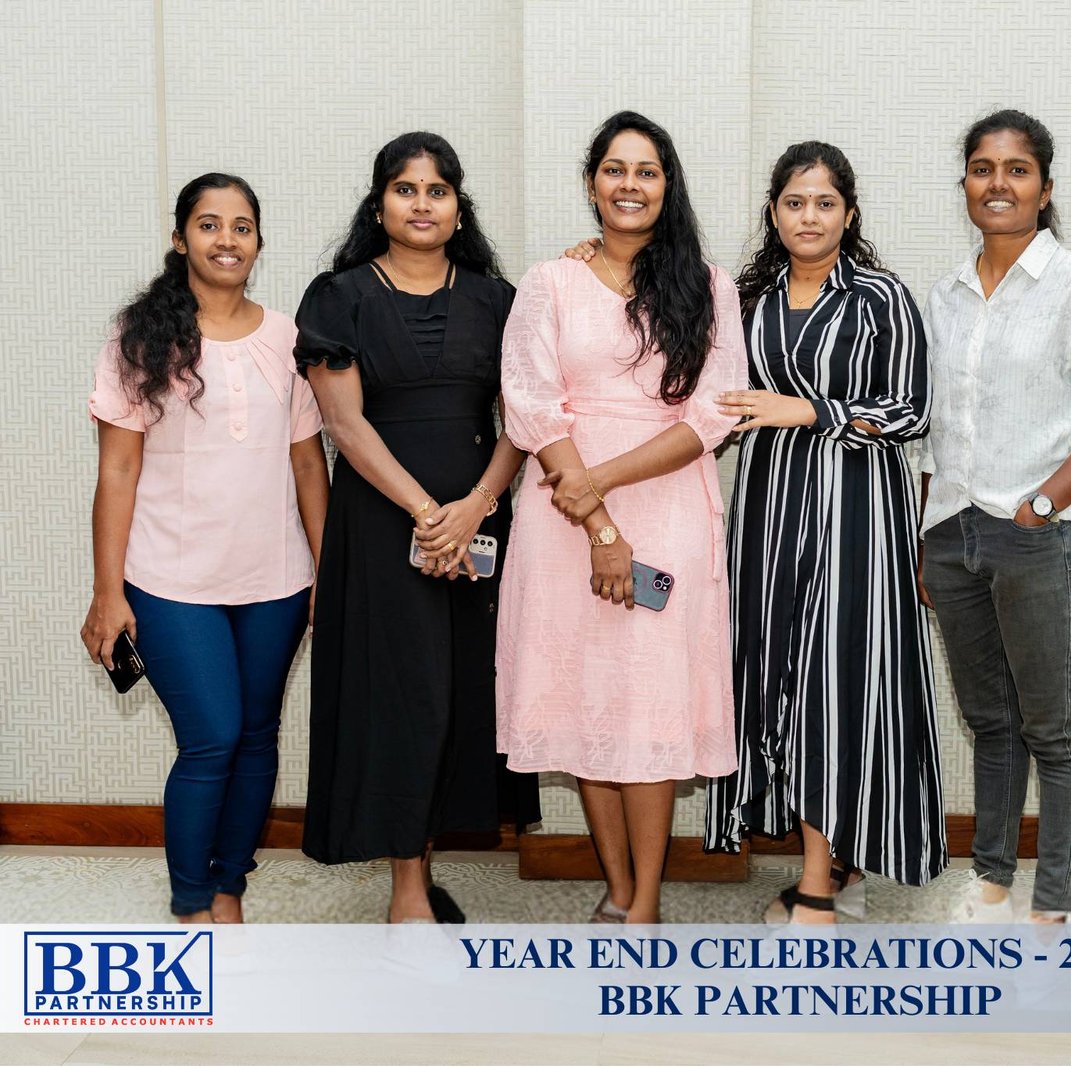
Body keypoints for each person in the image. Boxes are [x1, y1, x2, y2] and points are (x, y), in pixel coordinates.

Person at [496, 111, 745, 925]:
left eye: (646, 171)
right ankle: (618, 885)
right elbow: (530, 404)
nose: (629, 185)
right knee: (584, 696)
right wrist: (599, 523)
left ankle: (646, 903)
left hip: (664, 507)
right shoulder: (549, 282)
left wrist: (600, 483)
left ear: (667, 186)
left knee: (650, 702)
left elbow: (712, 414)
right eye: (614, 169)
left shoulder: (708, 286)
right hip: (563, 515)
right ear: (591, 182)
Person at [698, 141, 947, 923]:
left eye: (825, 203)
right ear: (774, 213)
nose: (809, 216)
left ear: (849, 213)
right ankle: (835, 863)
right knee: (774, 671)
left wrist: (810, 410)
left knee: (837, 680)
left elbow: (912, 408)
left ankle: (816, 886)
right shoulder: (747, 299)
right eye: (795, 202)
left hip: (857, 514)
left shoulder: (880, 295)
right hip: (768, 512)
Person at [295, 132, 534, 924]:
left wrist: (475, 506)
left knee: (459, 695)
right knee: (402, 699)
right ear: (379, 205)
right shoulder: (338, 297)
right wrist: (430, 516)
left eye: (437, 190)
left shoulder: (499, 300)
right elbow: (345, 425)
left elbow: (524, 418)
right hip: (380, 525)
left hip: (478, 523)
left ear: (459, 206)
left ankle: (429, 864)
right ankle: (406, 890)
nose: (421, 203)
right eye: (405, 189)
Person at [82, 173, 327, 923]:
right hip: (169, 580)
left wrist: (328, 571)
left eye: (241, 226)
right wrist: (107, 592)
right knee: (212, 738)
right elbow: (117, 471)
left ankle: (228, 887)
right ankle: (190, 900)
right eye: (209, 224)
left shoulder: (288, 338)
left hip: (276, 577)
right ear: (180, 237)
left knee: (255, 737)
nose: (227, 239)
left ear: (258, 242)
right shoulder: (140, 338)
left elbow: (308, 465)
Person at [919, 110, 1071, 923]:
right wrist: (926, 534)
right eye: (983, 168)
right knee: (990, 721)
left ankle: (1052, 907)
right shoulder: (944, 296)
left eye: (1017, 170)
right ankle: (991, 881)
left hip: (1043, 537)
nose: (998, 184)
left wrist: (1041, 506)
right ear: (965, 185)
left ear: (1045, 189)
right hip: (952, 536)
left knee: (1056, 732)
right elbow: (937, 427)